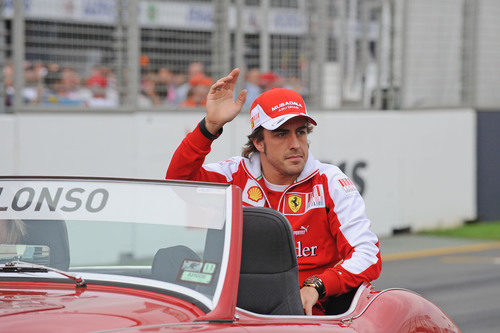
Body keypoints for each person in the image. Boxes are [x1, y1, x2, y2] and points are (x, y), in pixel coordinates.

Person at [166, 68, 381, 316]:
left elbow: (367, 254)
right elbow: (179, 181)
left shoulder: (330, 181)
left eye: (300, 132)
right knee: (169, 260)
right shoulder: (235, 173)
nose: (295, 144)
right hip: (238, 310)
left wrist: (318, 286)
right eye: (281, 134)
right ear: (259, 142)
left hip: (304, 313)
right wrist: (210, 126)